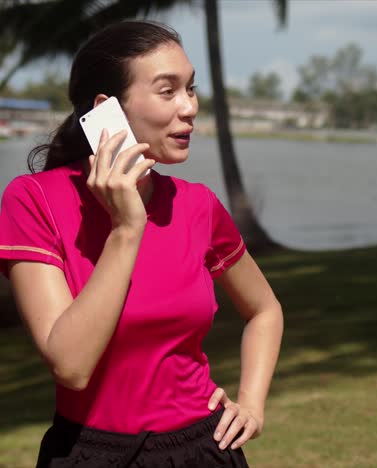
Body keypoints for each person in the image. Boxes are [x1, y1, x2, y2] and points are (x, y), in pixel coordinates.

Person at [0, 20, 283, 468]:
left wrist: (251, 403)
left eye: (190, 89)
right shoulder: (33, 200)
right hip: (90, 454)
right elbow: (71, 366)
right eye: (167, 91)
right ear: (106, 109)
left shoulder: (198, 206)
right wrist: (126, 228)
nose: (190, 107)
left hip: (204, 451)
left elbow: (265, 310)